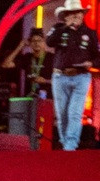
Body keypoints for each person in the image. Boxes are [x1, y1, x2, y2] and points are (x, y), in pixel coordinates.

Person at [46, 0, 100, 151]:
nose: (75, 16)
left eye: (78, 12)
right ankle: (65, 143)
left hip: (81, 77)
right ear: (65, 16)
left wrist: (91, 63)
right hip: (60, 77)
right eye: (71, 13)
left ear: (83, 15)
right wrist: (65, 28)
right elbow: (49, 42)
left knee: (74, 113)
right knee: (62, 115)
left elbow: (98, 57)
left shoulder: (90, 33)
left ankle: (70, 146)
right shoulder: (58, 29)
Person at [2, 28, 54, 98]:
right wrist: (20, 46)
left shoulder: (52, 57)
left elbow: (62, 80)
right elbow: (6, 65)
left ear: (44, 42)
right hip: (29, 97)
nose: (36, 43)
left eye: (39, 40)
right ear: (30, 43)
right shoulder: (27, 57)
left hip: (47, 98)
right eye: (33, 41)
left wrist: (45, 81)